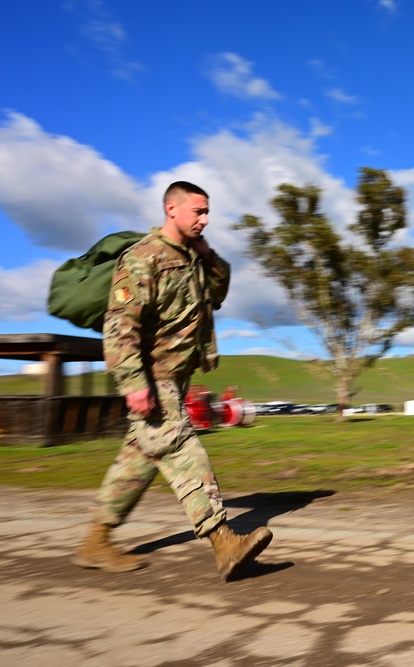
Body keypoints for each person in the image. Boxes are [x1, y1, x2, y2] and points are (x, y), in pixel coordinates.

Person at [72, 181, 272, 581]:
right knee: (179, 445)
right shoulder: (143, 257)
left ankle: (96, 541)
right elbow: (119, 325)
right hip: (152, 375)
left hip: (178, 376)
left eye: (207, 211)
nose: (205, 219)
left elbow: (220, 290)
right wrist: (133, 383)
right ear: (171, 208)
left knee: (141, 457)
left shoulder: (193, 258)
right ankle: (223, 540)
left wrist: (206, 252)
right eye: (198, 211)